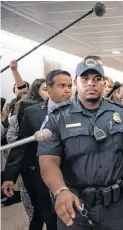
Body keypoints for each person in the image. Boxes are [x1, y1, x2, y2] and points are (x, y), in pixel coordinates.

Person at [37, 59, 123, 230]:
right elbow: (48, 160)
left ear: (103, 83)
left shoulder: (121, 113)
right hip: (76, 204)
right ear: (75, 82)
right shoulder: (58, 117)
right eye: (84, 78)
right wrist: (59, 191)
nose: (91, 83)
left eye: (97, 79)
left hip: (117, 205)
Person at [2, 70, 73, 230]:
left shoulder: (78, 112)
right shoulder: (32, 112)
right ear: (48, 89)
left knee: (70, 217)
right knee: (48, 216)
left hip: (71, 175)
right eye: (62, 85)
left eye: (70, 86)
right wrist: (9, 176)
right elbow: (21, 146)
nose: (68, 90)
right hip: (41, 175)